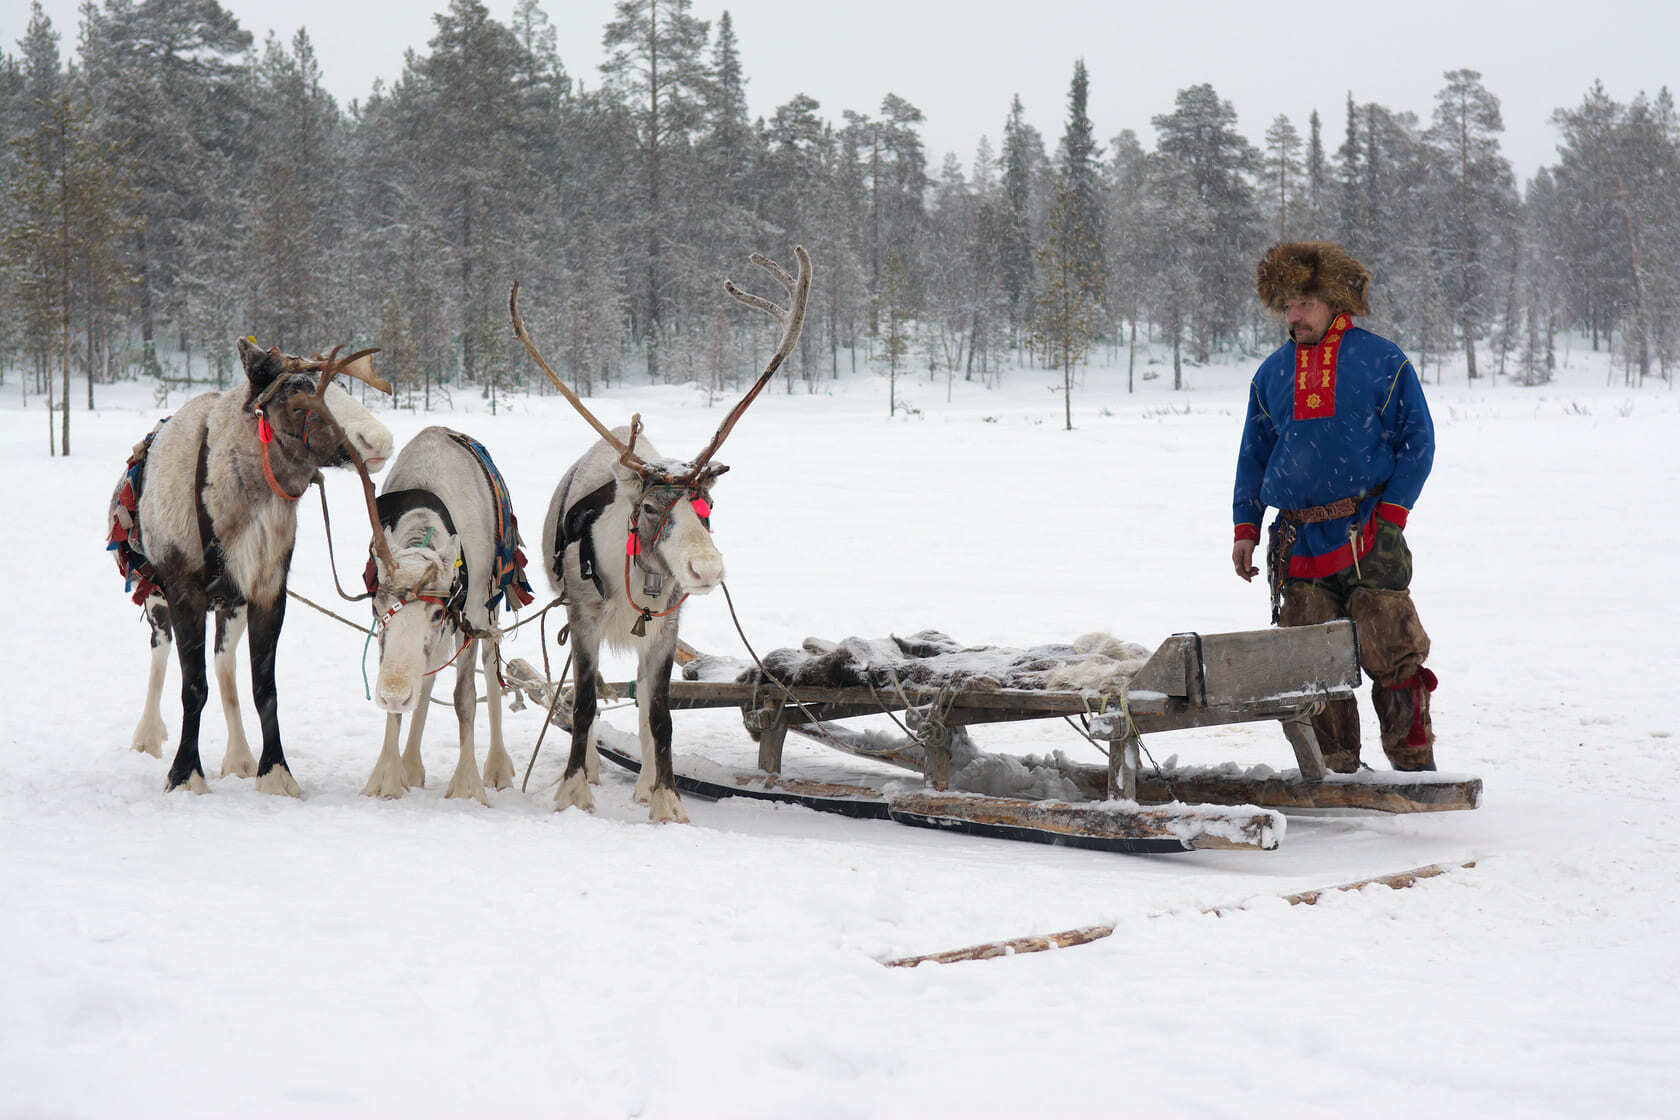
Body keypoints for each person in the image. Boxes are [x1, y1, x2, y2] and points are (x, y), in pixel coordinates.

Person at [1231, 241, 1438, 772]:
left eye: (1302, 303)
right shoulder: (1271, 373)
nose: (1291, 315)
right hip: (1297, 542)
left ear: (1332, 301)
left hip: (1367, 531)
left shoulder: (1381, 360)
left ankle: (1415, 771)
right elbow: (1253, 456)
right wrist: (1246, 527)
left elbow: (1419, 440)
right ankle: (1335, 777)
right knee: (1311, 666)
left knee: (1392, 653)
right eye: (1285, 305)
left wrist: (1392, 515)